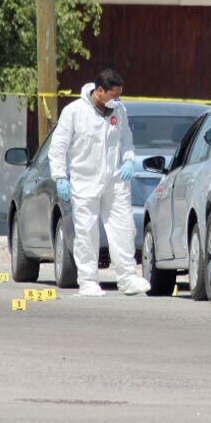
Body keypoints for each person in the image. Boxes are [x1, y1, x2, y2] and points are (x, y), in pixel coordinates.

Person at [48, 69, 151, 297]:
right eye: (114, 95)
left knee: (123, 228)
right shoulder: (74, 112)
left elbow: (127, 141)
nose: (117, 99)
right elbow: (58, 147)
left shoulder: (119, 111)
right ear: (100, 91)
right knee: (87, 231)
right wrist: (60, 176)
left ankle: (127, 279)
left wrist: (129, 160)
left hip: (115, 181)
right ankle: (87, 281)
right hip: (84, 182)